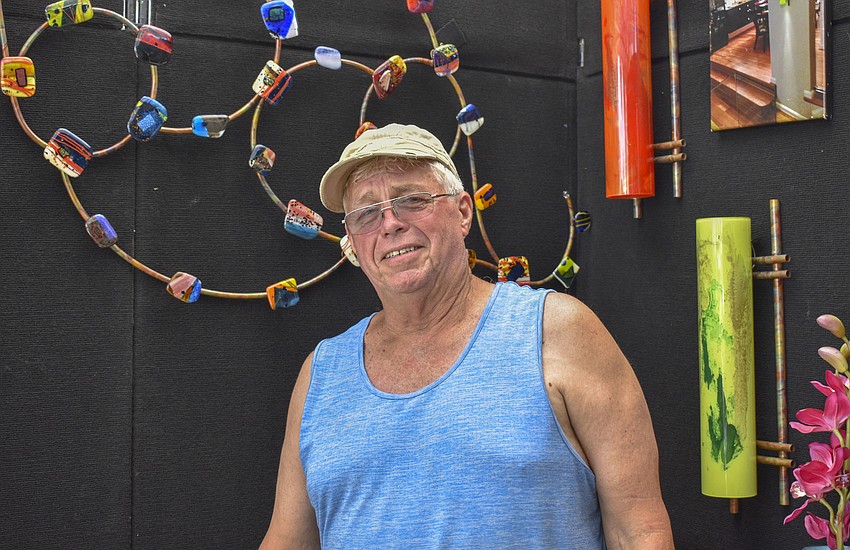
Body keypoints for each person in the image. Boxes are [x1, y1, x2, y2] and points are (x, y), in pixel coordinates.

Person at [260, 124, 673, 549]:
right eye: (366, 212)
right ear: (352, 242)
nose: (390, 224)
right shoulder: (322, 373)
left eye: (411, 200)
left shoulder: (557, 332)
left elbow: (638, 532)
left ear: (462, 212)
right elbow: (287, 541)